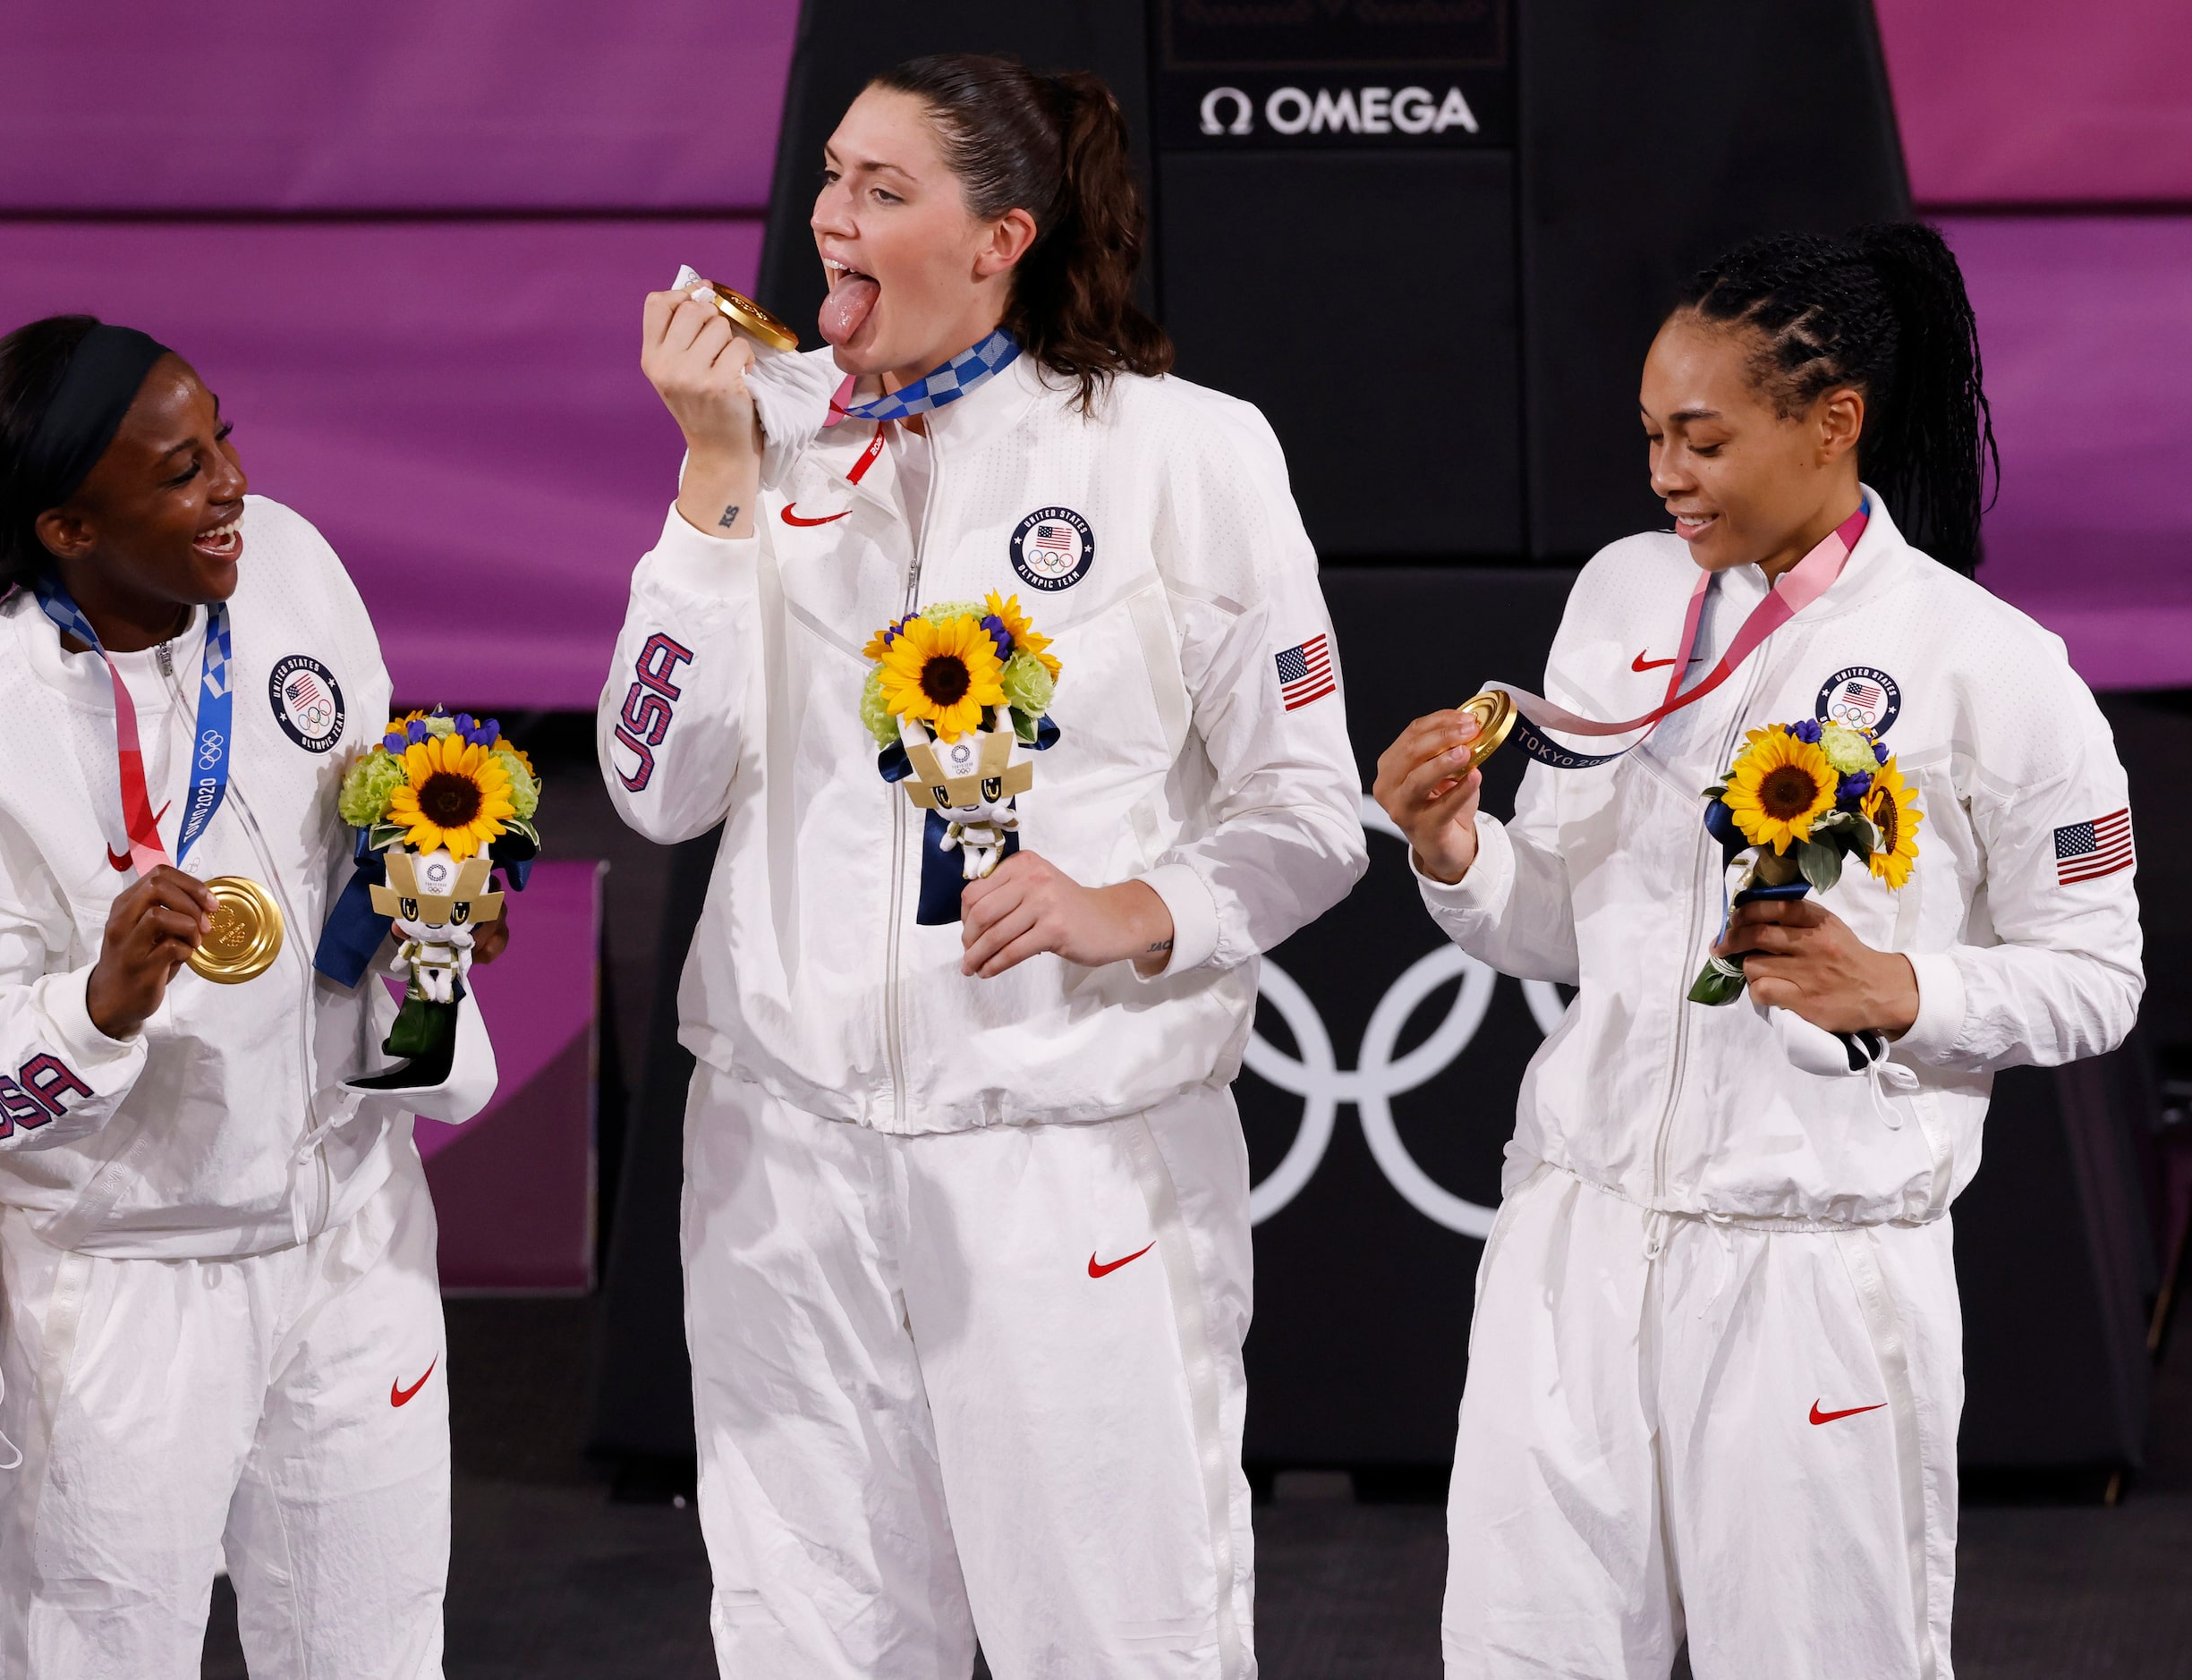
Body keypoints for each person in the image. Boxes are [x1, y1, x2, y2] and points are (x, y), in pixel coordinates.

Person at [607, 54, 1365, 1679]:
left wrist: (1140, 908)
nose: (830, 216)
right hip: (781, 1163)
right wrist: (712, 476)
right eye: (829, 178)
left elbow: (1308, 812)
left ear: (1001, 236)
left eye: (885, 191)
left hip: (1065, 1155)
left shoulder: (1184, 452)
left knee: (1115, 1638)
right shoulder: (768, 437)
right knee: (807, 1641)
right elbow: (647, 785)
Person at [1374, 225, 2142, 1677]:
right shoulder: (1617, 595)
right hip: (1574, 1237)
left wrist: (1910, 991)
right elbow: (1560, 921)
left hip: (1812, 1271)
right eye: (1651, 435)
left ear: (1830, 421)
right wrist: (1453, 850)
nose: (1664, 472)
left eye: (1702, 438)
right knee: (1518, 1655)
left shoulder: (1991, 664)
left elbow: (2102, 975)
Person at [0, 316, 498, 1678]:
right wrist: (97, 1005)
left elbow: (369, 813)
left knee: (378, 1648)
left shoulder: (294, 572)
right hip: (129, 1283)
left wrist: (434, 902)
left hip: (352, 1229)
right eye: (181, 469)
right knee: (103, 1657)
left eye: (224, 441)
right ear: (70, 527)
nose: (231, 489)